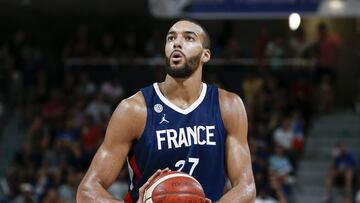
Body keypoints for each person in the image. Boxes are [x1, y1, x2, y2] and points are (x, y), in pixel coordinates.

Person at [77, 19, 256, 203]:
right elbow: (87, 190)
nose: (176, 42)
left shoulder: (228, 106)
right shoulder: (134, 110)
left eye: (189, 38)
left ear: (206, 55)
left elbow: (246, 186)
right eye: (171, 38)